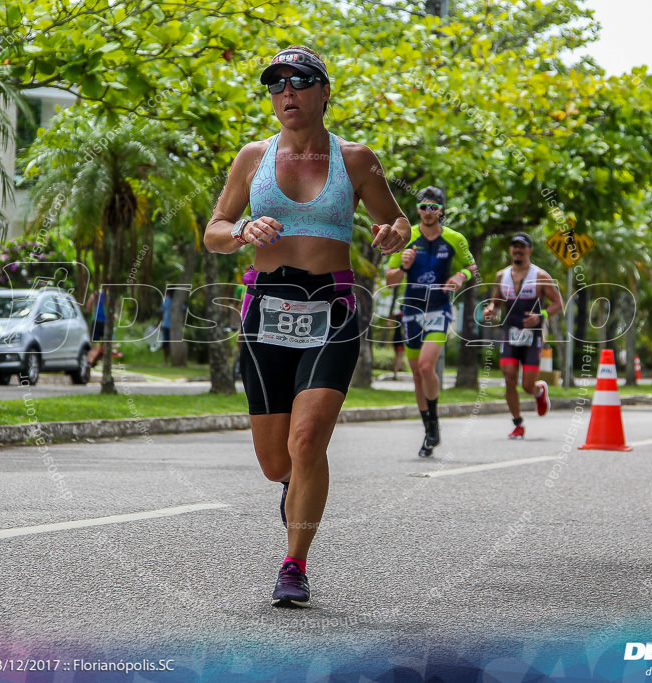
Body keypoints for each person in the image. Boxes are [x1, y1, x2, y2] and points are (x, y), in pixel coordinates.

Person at [204, 45, 409, 608]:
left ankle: (294, 564)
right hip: (266, 309)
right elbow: (214, 230)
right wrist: (243, 230)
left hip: (332, 310)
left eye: (299, 81)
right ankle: (295, 491)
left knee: (307, 439)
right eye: (275, 84)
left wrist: (394, 233)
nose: (286, 92)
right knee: (278, 463)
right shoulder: (253, 157)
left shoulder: (356, 159)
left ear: (324, 92)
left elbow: (396, 219)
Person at [385, 186, 476, 457]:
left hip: (439, 310)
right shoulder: (405, 237)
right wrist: (402, 265)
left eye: (433, 207)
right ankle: (429, 431)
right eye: (423, 207)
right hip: (411, 311)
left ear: (442, 210)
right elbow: (389, 281)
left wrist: (461, 276)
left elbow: (471, 267)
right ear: (418, 210)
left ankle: (434, 421)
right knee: (416, 374)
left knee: (426, 366)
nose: (427, 212)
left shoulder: (454, 238)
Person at [484, 232, 562, 439]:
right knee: (509, 377)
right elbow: (497, 300)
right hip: (510, 333)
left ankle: (538, 391)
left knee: (527, 384)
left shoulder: (540, 276)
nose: (517, 250)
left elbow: (557, 303)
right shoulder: (502, 275)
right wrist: (491, 308)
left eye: (522, 247)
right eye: (514, 246)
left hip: (533, 336)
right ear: (511, 250)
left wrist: (541, 315)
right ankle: (518, 423)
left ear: (529, 250)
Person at [85, 288, 107, 366]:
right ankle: (92, 361)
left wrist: (91, 311)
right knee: (105, 346)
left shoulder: (95, 294)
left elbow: (88, 307)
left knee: (95, 346)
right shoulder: (109, 296)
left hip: (95, 322)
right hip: (105, 323)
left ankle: (90, 361)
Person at [390, 307, 405, 380]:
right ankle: (395, 374)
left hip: (395, 337)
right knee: (400, 356)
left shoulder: (397, 315)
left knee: (396, 356)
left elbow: (388, 323)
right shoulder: (405, 315)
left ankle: (395, 373)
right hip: (401, 338)